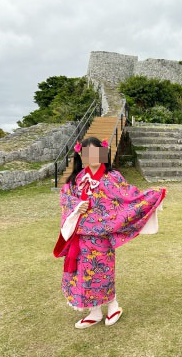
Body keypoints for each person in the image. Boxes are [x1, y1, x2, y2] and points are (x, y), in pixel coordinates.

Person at [53, 136, 167, 329]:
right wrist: (76, 206)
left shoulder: (112, 178)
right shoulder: (78, 179)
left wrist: (154, 195)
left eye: (96, 152)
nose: (92, 157)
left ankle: (113, 305)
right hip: (80, 237)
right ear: (82, 155)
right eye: (87, 153)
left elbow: (129, 197)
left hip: (102, 237)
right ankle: (94, 311)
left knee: (102, 272)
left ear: (103, 154)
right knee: (84, 274)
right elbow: (65, 197)